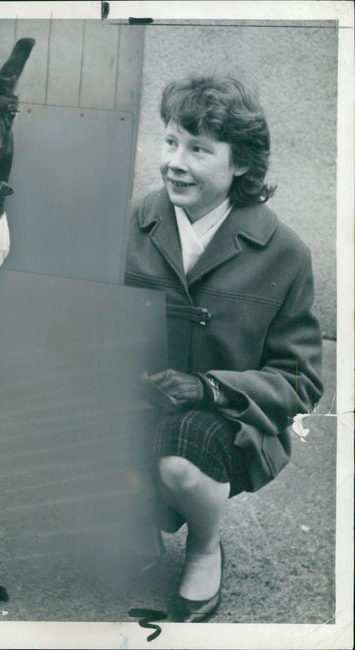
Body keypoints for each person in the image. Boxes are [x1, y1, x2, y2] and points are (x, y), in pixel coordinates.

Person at [124, 75, 324, 622]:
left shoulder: (285, 254)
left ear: (240, 164)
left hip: (227, 424)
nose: (175, 162)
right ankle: (136, 516)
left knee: (181, 461)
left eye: (198, 149)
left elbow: (301, 381)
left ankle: (204, 548)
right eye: (170, 142)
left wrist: (211, 386)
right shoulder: (136, 224)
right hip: (137, 403)